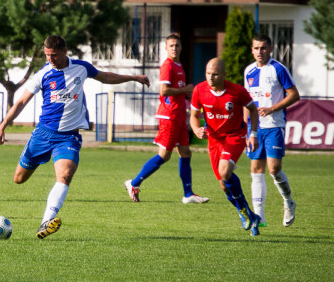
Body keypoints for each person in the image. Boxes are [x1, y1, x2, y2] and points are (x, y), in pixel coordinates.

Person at [0, 35, 150, 239]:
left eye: (54, 55)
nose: (50, 59)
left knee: (65, 175)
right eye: (47, 55)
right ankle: (43, 212)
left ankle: (45, 222)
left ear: (65, 51)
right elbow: (22, 101)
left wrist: (134, 78)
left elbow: (105, 76)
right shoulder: (43, 74)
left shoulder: (81, 68)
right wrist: (3, 126)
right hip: (43, 134)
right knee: (19, 179)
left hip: (68, 137)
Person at [124, 34, 209, 204]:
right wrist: (186, 89)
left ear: (181, 47)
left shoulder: (179, 65)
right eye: (171, 45)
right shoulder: (168, 66)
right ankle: (134, 183)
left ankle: (188, 194)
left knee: (185, 152)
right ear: (166, 48)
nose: (174, 48)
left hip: (178, 115)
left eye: (177, 45)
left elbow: (176, 92)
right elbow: (163, 91)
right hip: (168, 116)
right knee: (164, 155)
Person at [190, 58, 261, 236]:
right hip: (214, 141)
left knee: (224, 171)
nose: (210, 77)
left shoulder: (237, 91)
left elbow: (253, 109)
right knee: (223, 185)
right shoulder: (199, 90)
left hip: (235, 136)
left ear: (224, 74)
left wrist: (253, 134)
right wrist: (196, 128)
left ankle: (246, 213)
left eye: (214, 74)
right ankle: (249, 214)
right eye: (208, 73)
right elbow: (193, 115)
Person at [244, 34, 300, 227]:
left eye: (263, 48)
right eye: (256, 48)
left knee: (274, 169)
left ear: (271, 49)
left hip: (274, 125)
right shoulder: (249, 71)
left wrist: (272, 108)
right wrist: (246, 129)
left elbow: (294, 95)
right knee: (256, 170)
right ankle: (259, 218)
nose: (260, 52)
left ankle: (288, 201)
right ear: (252, 50)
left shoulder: (278, 69)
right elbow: (247, 102)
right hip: (255, 128)